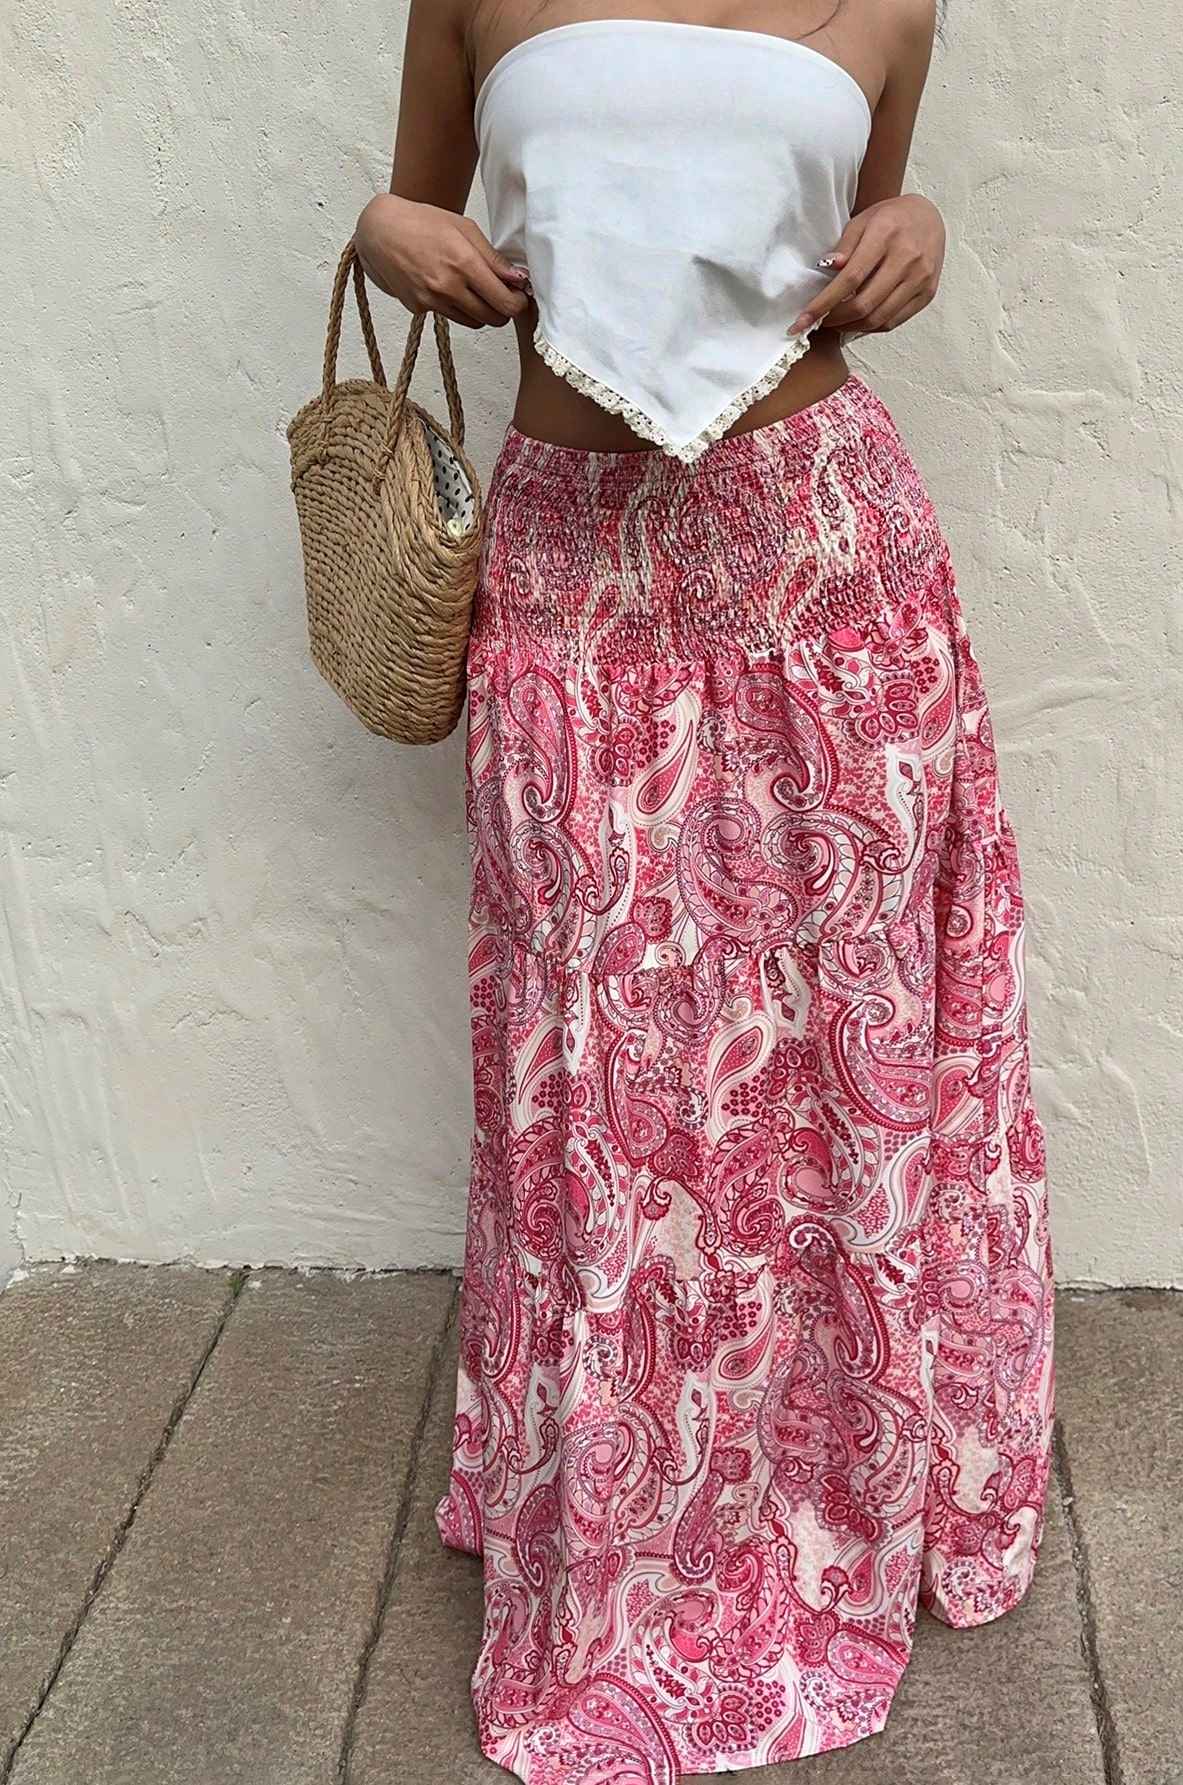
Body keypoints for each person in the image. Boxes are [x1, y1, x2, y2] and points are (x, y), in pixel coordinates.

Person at [355, 3, 1055, 1780]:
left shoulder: (891, 1)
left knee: (841, 1046)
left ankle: (840, 1482)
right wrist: (384, 230)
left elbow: (842, 251)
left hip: (824, 555)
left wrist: (919, 232)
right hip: (570, 562)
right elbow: (416, 204)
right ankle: (618, 1520)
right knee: (598, 1052)